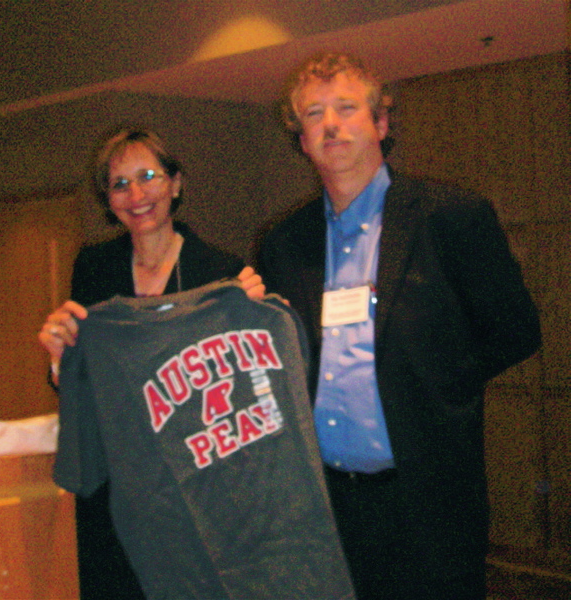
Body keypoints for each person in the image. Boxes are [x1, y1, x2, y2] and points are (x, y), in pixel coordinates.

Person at [257, 52, 542, 600]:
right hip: (327, 508)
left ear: (381, 124)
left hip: (428, 498)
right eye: (314, 114)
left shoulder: (451, 217)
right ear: (300, 138)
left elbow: (516, 331)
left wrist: (438, 383)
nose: (331, 125)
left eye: (346, 108)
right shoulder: (283, 243)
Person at [38, 126, 264, 600]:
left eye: (148, 176)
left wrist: (252, 320)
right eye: (119, 184)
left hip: (195, 495)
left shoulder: (220, 273)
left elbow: (246, 393)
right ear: (107, 198)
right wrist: (61, 361)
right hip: (116, 494)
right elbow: (84, 381)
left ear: (176, 183)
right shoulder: (94, 268)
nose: (136, 195)